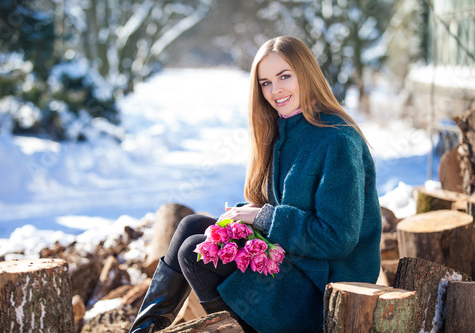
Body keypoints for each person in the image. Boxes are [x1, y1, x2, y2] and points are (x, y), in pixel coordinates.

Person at [128, 36, 382, 333]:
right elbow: (279, 208)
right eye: (265, 83)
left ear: (306, 74)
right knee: (192, 226)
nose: (275, 91)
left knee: (196, 253)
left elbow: (337, 238)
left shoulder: (337, 139)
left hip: (325, 289)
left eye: (284, 76)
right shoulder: (285, 129)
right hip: (293, 263)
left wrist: (262, 217)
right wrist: (244, 216)